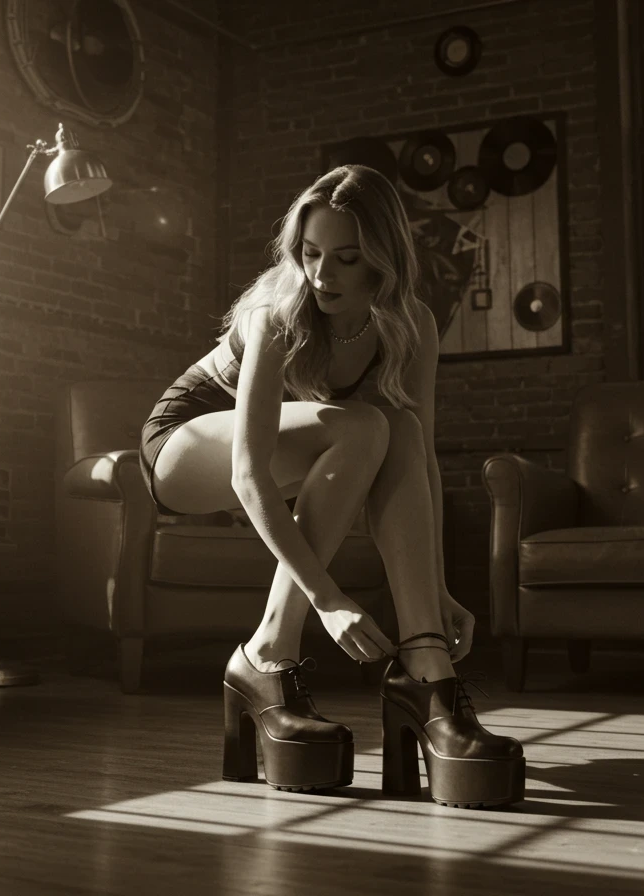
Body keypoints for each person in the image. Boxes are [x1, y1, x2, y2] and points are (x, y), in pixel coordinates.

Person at [138, 165, 524, 806]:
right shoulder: (277, 313)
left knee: (392, 427)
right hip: (186, 442)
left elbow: (420, 460)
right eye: (310, 254)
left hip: (313, 439)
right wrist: (327, 597)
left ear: (383, 257)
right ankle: (268, 653)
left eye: (346, 259)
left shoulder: (412, 324)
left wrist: (438, 587)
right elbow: (248, 472)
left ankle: (426, 667)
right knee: (366, 425)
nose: (322, 276)